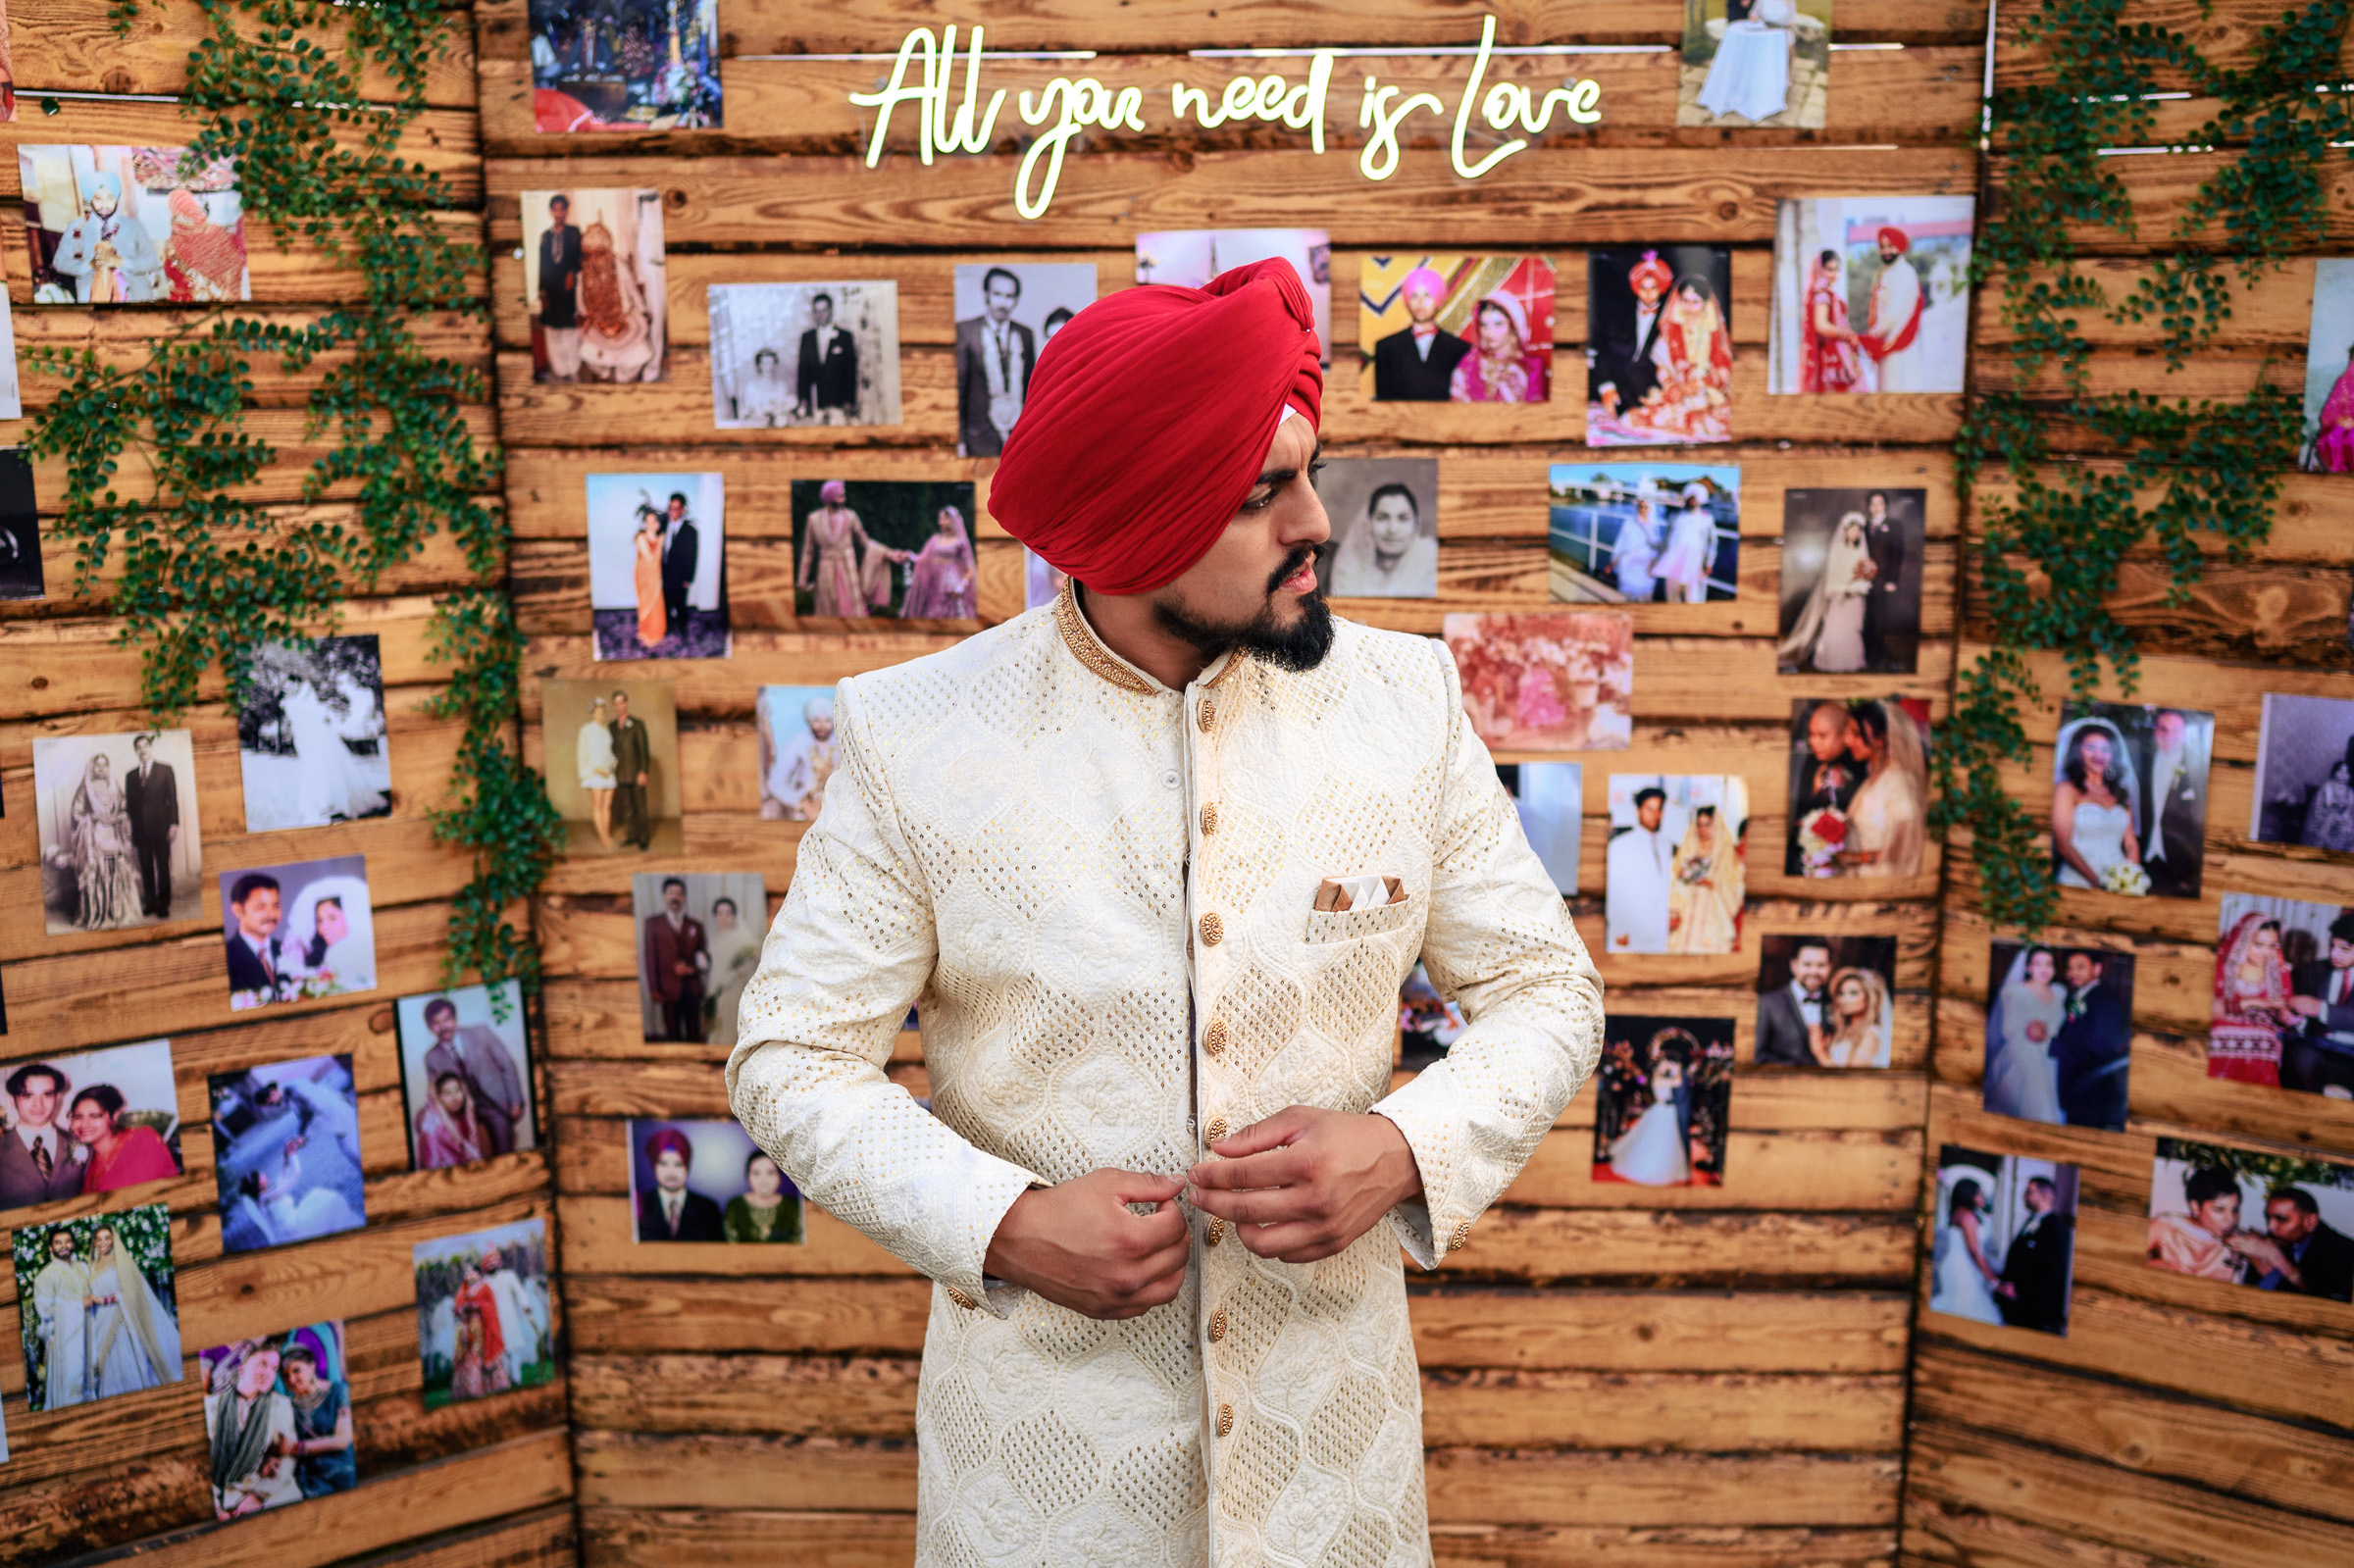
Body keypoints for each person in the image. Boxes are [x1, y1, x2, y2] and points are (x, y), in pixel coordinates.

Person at [726, 256, 1602, 1565]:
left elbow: (1550, 993)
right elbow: (788, 1056)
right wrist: (1004, 1223)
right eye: (1263, 493)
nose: (1317, 519)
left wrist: (1405, 1144)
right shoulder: (919, 736)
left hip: (1335, 1487)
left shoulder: (1406, 706)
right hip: (1042, 1497)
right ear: (1140, 523)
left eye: (1310, 469)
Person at [421, 996, 528, 1157]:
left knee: (503, 1148)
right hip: (462, 1112)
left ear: (455, 1019)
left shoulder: (481, 1032)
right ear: (429, 1027)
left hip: (494, 1104)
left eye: (447, 1019)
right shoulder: (431, 1057)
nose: (443, 1027)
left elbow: (507, 1065)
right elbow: (437, 1095)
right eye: (436, 1023)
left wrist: (515, 1101)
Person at [85, 1224, 179, 1398]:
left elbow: (131, 1292)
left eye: (107, 1238)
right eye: (99, 1239)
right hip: (100, 1321)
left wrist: (105, 1300)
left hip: (120, 1318)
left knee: (123, 1359)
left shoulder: (120, 1262)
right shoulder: (92, 1267)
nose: (103, 1242)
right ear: (94, 1243)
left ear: (113, 1239)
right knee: (107, 1366)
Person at [1635, 274, 1732, 441]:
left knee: (1708, 422)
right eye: (1685, 301)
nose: (1689, 307)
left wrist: (1700, 383)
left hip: (1705, 389)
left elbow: (1724, 369)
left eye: (1695, 302)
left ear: (1706, 303)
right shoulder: (1672, 328)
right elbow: (1662, 364)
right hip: (1677, 390)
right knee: (1652, 417)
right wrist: (1671, 386)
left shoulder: (1713, 330)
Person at [207, 1344, 300, 1515]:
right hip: (222, 1493)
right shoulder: (213, 1405)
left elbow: (288, 1459)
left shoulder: (280, 1405)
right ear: (242, 1370)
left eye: (274, 1368)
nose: (268, 1373)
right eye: (262, 1364)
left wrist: (258, 1496)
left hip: (263, 1488)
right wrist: (218, 1508)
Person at [955, 266, 1037, 456]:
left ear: (1016, 300)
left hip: (1017, 439)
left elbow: (1030, 389)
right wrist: (959, 440)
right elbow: (959, 389)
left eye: (1009, 297)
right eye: (997, 294)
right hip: (978, 438)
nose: (1003, 303)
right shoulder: (966, 331)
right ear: (986, 295)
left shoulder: (1025, 334)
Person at [2053, 718, 2142, 890]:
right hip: (2077, 881)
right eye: (2090, 748)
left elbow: (2131, 843)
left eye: (2105, 749)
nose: (2099, 756)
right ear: (2078, 751)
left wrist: (2129, 880)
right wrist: (2097, 883)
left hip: (2116, 882)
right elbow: (2063, 846)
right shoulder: (2067, 790)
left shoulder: (2120, 792)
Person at [799, 481, 910, 618]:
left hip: (848, 572)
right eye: (840, 496)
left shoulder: (850, 516)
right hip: (826, 572)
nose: (844, 499)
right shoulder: (813, 519)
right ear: (829, 497)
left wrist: (889, 553)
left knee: (852, 611)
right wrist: (802, 581)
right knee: (827, 611)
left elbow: (865, 542)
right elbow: (808, 551)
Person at [1842, 699, 1926, 879]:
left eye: (1856, 734)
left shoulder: (1899, 781)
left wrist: (1856, 858)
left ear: (1881, 738)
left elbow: (1906, 846)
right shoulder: (1872, 780)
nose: (1847, 741)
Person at [1776, 514, 1872, 673]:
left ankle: (1850, 662)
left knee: (1852, 631)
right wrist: (1844, 589)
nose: (1854, 533)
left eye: (1857, 531)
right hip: (1839, 597)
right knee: (1836, 629)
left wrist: (1860, 587)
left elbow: (1864, 574)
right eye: (1852, 530)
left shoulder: (1861, 551)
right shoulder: (1837, 550)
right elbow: (1832, 576)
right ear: (1845, 531)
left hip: (1855, 598)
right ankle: (1832, 662)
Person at [2208, 913, 2295, 1085]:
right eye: (2258, 945)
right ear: (2243, 940)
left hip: (2263, 1035)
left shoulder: (2278, 972)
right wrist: (2251, 1002)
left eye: (2272, 946)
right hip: (2220, 1027)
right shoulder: (2222, 966)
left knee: (2267, 1040)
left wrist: (2285, 1014)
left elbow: (2284, 1010)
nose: (2265, 953)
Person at [55, 170, 163, 304]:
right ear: (90, 199)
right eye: (98, 199)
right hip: (93, 301)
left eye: (109, 198)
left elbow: (152, 260)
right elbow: (60, 262)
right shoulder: (76, 227)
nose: (104, 205)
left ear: (116, 197)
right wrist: (88, 264)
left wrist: (121, 261)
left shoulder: (134, 227)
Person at [1986, 946, 2067, 1125]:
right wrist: (2031, 1029)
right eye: (2038, 964)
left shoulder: (2060, 992)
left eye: (2048, 964)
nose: (2044, 969)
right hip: (2025, 1058)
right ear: (2028, 968)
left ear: (2054, 969)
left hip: (2053, 1058)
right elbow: (2008, 1031)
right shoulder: (2014, 992)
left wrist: (2047, 1033)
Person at [2054, 950, 2131, 1130]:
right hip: (2076, 1089)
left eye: (2080, 967)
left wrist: (2050, 1045)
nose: (2072, 973)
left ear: (2097, 969)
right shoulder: (2076, 997)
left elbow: (2098, 1048)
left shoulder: (2105, 1001)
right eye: (2070, 968)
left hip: (2090, 1092)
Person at [1590, 250, 1672, 419]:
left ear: (1662, 287)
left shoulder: (1670, 319)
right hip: (1612, 391)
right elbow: (1604, 352)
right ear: (1636, 287)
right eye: (1643, 287)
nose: (1648, 293)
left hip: (1649, 398)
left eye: (1653, 287)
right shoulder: (1619, 314)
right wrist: (1607, 388)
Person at [575, 217, 657, 383]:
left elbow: (632, 290)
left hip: (624, 317)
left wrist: (642, 310)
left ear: (606, 249)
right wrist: (582, 314)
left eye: (600, 253)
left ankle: (623, 377)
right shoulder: (583, 272)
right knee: (589, 354)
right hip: (598, 321)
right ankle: (604, 373)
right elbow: (580, 296)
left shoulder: (618, 264)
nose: (596, 258)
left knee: (639, 353)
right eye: (591, 254)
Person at [1786, 701, 1864, 876]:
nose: (1814, 742)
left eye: (1822, 736)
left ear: (1844, 734)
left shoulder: (1857, 769)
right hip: (1801, 858)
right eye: (1811, 735)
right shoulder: (1811, 762)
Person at [68, 752, 143, 930]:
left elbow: (125, 806)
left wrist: (120, 816)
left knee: (118, 865)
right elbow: (76, 813)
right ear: (92, 768)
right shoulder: (86, 787)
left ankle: (118, 911)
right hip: (95, 835)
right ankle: (99, 912)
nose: (100, 769)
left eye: (104, 765)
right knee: (99, 870)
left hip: (114, 832)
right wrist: (91, 818)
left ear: (108, 767)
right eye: (97, 765)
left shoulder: (113, 786)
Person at [1371, 265, 1469, 400]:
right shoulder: (1386, 348)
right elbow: (1383, 401)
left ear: (1438, 301)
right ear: (1407, 301)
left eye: (1427, 295)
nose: (1420, 302)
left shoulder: (1460, 349)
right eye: (1414, 296)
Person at [2284, 908, 2354, 1097]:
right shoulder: (2315, 970)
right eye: (2332, 946)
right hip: (2318, 1048)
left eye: (2344, 949)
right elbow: (2300, 1016)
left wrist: (2321, 1009)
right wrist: (2293, 1018)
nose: (2334, 954)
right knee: (2300, 1058)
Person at [2138, 709, 2206, 898]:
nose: (2168, 735)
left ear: (2185, 734)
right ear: (2155, 731)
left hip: (2180, 865)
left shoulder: (2198, 768)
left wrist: (2193, 873)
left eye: (2175, 730)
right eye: (2163, 729)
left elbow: (2200, 823)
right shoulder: (2142, 761)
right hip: (2144, 858)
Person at [1327, 482, 1437, 597]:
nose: (1392, 529)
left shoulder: (1430, 561)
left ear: (1416, 524)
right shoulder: (1350, 566)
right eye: (1382, 518)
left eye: (1403, 518)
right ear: (1369, 522)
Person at [2148, 1163, 2253, 1283]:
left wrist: (2269, 1253)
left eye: (2235, 1210)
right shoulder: (2167, 1227)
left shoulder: (2241, 1242)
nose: (2230, 1220)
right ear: (2196, 1207)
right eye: (2219, 1209)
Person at [3, 1063, 90, 1206]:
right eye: (28, 1095)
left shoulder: (81, 1143)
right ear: (13, 1101)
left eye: (47, 1095)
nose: (39, 1105)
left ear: (57, 1098)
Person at [1695, 0, 1796, 123]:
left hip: (1782, 32)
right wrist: (1754, 16)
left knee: (1789, 48)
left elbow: (1792, 22)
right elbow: (1754, 12)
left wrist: (1787, 25)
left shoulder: (1790, 1)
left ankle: (1780, 81)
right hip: (1764, 31)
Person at [1994, 1177, 2073, 1332]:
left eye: (2029, 1192)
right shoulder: (2031, 1221)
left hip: (2033, 1310)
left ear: (2044, 1196)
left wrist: (2019, 1290)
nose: (2024, 1196)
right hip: (2015, 1306)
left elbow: (2052, 1273)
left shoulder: (2055, 1229)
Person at [69, 1085, 179, 1193]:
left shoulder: (142, 1140)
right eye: (78, 1116)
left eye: (94, 1116)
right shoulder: (90, 1165)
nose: (84, 1124)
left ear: (114, 1116)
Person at [281, 1341, 357, 1497]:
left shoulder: (338, 1391)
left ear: (312, 1366)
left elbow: (343, 1439)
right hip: (308, 1478)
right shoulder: (287, 1406)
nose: (292, 1379)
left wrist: (295, 1448)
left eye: (297, 1370)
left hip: (340, 1470)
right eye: (286, 1375)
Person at [2252, 1187, 2354, 1301]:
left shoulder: (2345, 1252)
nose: (2271, 1226)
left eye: (2281, 1219)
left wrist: (2278, 1259)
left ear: (2310, 1222)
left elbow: (2325, 1300)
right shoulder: (2283, 1239)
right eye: (2268, 1218)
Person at [1666, 802, 1742, 954]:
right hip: (1686, 910)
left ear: (1715, 825)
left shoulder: (1725, 853)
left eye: (1707, 825)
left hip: (1712, 914)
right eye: (1699, 825)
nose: (1703, 829)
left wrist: (1713, 884)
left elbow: (1736, 885)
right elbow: (1673, 880)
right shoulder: (1688, 848)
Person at [1859, 227, 1927, 392]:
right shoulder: (1886, 272)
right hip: (1886, 344)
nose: (1886, 251)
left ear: (1900, 247)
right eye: (1882, 247)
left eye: (1891, 246)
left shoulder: (1904, 273)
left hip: (1898, 345)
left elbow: (1893, 314)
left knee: (1897, 391)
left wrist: (1873, 335)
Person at [30, 1228, 92, 1407]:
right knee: (70, 1385)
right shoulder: (45, 1276)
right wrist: (79, 1305)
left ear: (72, 1244)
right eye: (58, 1242)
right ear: (51, 1248)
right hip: (65, 1338)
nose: (63, 1246)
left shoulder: (82, 1268)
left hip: (88, 1331)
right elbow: (44, 1310)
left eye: (67, 1241)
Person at [1928, 1178, 2004, 1325]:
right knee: (1967, 1308)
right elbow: (1974, 1251)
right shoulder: (1967, 1216)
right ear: (1969, 1195)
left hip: (1956, 1264)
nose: (1982, 1198)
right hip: (1964, 1268)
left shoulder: (1958, 1213)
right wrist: (1994, 1280)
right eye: (1979, 1194)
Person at [1608, 786, 1673, 952]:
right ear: (1638, 811)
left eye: (1658, 810)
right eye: (1649, 809)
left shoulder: (1666, 845)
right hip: (1631, 932)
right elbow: (1615, 889)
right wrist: (1619, 928)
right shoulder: (1620, 845)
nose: (1655, 815)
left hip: (1660, 930)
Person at [1606, 1056, 1690, 1186]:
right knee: (1658, 1141)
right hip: (1663, 1111)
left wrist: (1672, 1069)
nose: (1666, 1065)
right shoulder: (1658, 1079)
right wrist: (1677, 1069)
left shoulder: (1663, 1078)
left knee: (1667, 1140)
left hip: (1668, 1111)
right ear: (1657, 1069)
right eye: (1663, 1064)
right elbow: (1677, 1082)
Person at [284, 876, 375, 994]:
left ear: (350, 916)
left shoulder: (362, 952)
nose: (324, 928)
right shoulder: (324, 957)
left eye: (332, 918)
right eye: (319, 921)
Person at [124, 733, 180, 921]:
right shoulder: (130, 776)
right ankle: (150, 902)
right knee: (146, 867)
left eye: (145, 746)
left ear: (150, 748)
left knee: (163, 867)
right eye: (138, 748)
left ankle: (163, 904)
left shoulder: (165, 770)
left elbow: (172, 800)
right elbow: (130, 806)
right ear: (135, 751)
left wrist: (173, 825)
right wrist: (130, 829)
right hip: (140, 830)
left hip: (162, 827)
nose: (142, 751)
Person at [645, 877, 709, 1042]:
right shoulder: (653, 924)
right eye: (671, 893)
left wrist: (692, 969)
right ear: (664, 896)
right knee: (672, 1034)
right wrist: (654, 989)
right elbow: (650, 960)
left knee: (694, 1033)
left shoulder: (696, 925)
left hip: (692, 989)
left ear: (684, 898)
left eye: (679, 894)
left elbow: (704, 958)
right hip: (667, 989)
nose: (675, 897)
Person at [637, 1127, 724, 1239]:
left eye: (678, 1164)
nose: (671, 1172)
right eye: (664, 1164)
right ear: (654, 1167)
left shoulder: (708, 1209)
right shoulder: (640, 1204)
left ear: (687, 1167)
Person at [1755, 940, 1831, 1066]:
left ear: (1830, 967)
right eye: (1807, 964)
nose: (1814, 971)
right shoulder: (1766, 1004)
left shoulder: (1835, 1003)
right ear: (1793, 965)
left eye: (1821, 965)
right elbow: (1757, 1058)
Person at [162, 187, 244, 302]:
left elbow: (170, 275)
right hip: (230, 295)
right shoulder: (217, 231)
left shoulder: (174, 244)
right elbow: (235, 262)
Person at [1449, 293, 1535, 403]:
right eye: (1484, 325)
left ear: (1514, 327)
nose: (1490, 333)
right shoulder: (1468, 365)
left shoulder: (1532, 367)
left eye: (1498, 324)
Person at [762, 693, 836, 821]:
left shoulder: (842, 742)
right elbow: (776, 782)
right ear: (809, 720)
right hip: (805, 806)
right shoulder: (798, 743)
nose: (822, 726)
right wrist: (800, 801)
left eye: (827, 721)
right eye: (817, 721)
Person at [481, 1247, 547, 1388]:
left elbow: (519, 1291)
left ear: (499, 1262)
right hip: (493, 1321)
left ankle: (516, 1377)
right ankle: (505, 1380)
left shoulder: (508, 1275)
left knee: (514, 1347)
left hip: (509, 1317)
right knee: (500, 1350)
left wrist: (525, 1305)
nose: (492, 1264)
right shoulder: (484, 1282)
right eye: (489, 1262)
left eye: (494, 1261)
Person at [536, 195, 583, 381]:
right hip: (551, 288)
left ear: (566, 211)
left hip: (569, 288)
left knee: (570, 330)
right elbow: (542, 264)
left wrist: (573, 272)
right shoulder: (545, 236)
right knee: (553, 330)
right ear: (551, 212)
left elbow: (580, 257)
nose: (559, 213)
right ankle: (560, 369)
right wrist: (542, 291)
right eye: (555, 209)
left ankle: (573, 368)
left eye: (562, 209)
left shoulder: (574, 232)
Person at [1799, 248, 1861, 392]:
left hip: (1836, 351)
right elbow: (1821, 325)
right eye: (1829, 269)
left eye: (1837, 270)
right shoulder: (1823, 295)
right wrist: (1845, 335)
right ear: (1820, 270)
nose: (1834, 274)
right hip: (1831, 354)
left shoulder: (1827, 294)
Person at [901, 506, 979, 620]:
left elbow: (969, 568)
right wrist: (910, 557)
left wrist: (961, 586)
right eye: (940, 519)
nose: (940, 522)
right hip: (934, 581)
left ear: (952, 520)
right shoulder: (935, 539)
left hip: (951, 581)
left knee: (951, 612)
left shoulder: (960, 542)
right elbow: (924, 558)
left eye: (944, 519)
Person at [705, 897, 762, 1048]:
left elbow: (754, 960)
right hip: (715, 991)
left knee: (728, 1029)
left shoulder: (741, 939)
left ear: (734, 916)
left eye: (728, 913)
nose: (723, 917)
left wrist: (737, 973)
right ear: (715, 916)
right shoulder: (713, 939)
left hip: (733, 990)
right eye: (719, 913)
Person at [225, 872, 288, 1007]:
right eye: (260, 907)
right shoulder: (226, 957)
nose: (271, 914)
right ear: (238, 910)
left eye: (276, 905)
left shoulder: (287, 949)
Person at [1861, 491, 1909, 670]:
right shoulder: (1864, 526)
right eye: (1872, 504)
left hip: (1884, 581)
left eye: (1879, 504)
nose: (1875, 507)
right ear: (1868, 507)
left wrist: (1892, 580)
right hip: (1864, 580)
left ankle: (1876, 656)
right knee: (1866, 617)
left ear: (1885, 506)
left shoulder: (1895, 526)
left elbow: (1898, 555)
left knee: (1879, 618)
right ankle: (1865, 653)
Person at [795, 291, 858, 420]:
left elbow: (851, 372)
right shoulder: (807, 338)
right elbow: (803, 373)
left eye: (824, 310)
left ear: (831, 310)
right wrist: (803, 400)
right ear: (813, 313)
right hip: (815, 402)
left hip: (839, 403)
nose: (821, 315)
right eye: (817, 311)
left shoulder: (845, 337)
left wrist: (849, 401)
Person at [450, 1262, 510, 1397]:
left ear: (478, 1274)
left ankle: (493, 1386)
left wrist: (478, 1305)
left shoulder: (485, 1288)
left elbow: (491, 1306)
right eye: (467, 1273)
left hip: (483, 1329)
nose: (469, 1275)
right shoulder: (462, 1290)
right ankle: (469, 1390)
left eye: (472, 1272)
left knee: (481, 1356)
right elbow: (457, 1308)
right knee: (468, 1358)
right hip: (467, 1330)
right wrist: (461, 1310)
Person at [1653, 481, 1717, 604]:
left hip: (1695, 566)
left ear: (1701, 500)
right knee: (1671, 599)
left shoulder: (1707, 519)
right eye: (1690, 498)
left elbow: (1712, 543)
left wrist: (1709, 563)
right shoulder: (1675, 517)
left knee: (1693, 600)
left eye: (1695, 498)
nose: (1692, 501)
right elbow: (1666, 539)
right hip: (1672, 566)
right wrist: (1656, 554)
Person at [1817, 966, 1889, 1068]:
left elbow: (1850, 1078)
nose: (1844, 999)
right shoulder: (1844, 1029)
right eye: (1841, 993)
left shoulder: (1871, 1034)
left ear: (1868, 998)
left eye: (1853, 993)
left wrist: (1819, 1052)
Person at [726, 1149, 804, 1242]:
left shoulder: (794, 1207)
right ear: (748, 1176)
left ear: (779, 1176)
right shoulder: (735, 1207)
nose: (763, 1181)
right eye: (756, 1173)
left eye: (770, 1173)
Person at [414, 1070, 486, 1168]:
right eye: (448, 1093)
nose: (455, 1097)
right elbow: (431, 1166)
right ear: (438, 1098)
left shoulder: (464, 1118)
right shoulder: (432, 1130)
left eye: (458, 1091)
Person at [609, 690, 653, 850]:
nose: (619, 706)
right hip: (621, 774)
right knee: (627, 808)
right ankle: (632, 836)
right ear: (614, 705)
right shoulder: (612, 726)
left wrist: (643, 771)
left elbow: (643, 750)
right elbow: (611, 751)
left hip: (636, 773)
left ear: (626, 704)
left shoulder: (637, 724)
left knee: (640, 807)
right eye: (616, 703)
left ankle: (643, 839)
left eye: (621, 702)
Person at [2295, 735, 2354, 851]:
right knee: (2327, 829)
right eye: (2340, 771)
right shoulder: (2326, 788)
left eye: (2346, 772)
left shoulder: (2350, 792)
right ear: (2334, 773)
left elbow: (2351, 811)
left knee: (2348, 829)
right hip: (2324, 821)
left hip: (2343, 823)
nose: (2343, 774)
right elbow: (2317, 810)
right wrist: (2331, 818)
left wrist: (2344, 819)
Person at [656, 490, 701, 642]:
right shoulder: (664, 524)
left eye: (676, 508)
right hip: (665, 572)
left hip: (681, 576)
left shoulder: (690, 531)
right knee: (666, 603)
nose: (672, 512)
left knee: (680, 604)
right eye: (670, 508)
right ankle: (668, 627)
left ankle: (682, 629)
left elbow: (693, 556)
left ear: (683, 510)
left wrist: (689, 578)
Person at [579, 694, 618, 848]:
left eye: (602, 712)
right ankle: (604, 839)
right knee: (598, 805)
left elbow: (609, 752)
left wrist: (613, 764)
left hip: (608, 773)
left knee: (607, 805)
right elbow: (583, 753)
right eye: (597, 712)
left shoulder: (606, 731)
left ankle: (607, 834)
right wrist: (595, 769)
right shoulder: (586, 730)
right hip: (595, 773)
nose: (600, 715)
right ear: (593, 713)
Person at [2309, 341, 2354, 472]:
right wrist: (2340, 419)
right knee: (2335, 434)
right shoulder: (2344, 382)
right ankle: (2340, 475)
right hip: (2343, 429)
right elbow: (2329, 411)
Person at [1611, 489, 1662, 600]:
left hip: (1646, 564)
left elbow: (1656, 546)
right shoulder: (1629, 523)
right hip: (1630, 563)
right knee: (1629, 595)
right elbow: (1621, 541)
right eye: (1640, 506)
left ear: (1650, 509)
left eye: (1645, 507)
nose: (1642, 509)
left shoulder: (1653, 526)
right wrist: (1614, 559)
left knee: (1645, 594)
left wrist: (1654, 562)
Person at [631, 505, 667, 649]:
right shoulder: (640, 537)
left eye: (654, 521)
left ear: (658, 524)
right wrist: (660, 544)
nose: (651, 525)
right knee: (645, 603)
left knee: (657, 603)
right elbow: (650, 559)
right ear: (644, 523)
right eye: (648, 521)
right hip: (644, 576)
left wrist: (660, 541)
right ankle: (646, 632)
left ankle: (656, 632)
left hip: (656, 575)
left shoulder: (659, 537)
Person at [737, 346, 793, 425]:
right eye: (765, 363)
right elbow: (747, 414)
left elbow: (785, 411)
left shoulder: (781, 386)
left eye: (772, 363)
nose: (769, 367)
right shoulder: (751, 388)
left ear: (775, 364)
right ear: (759, 365)